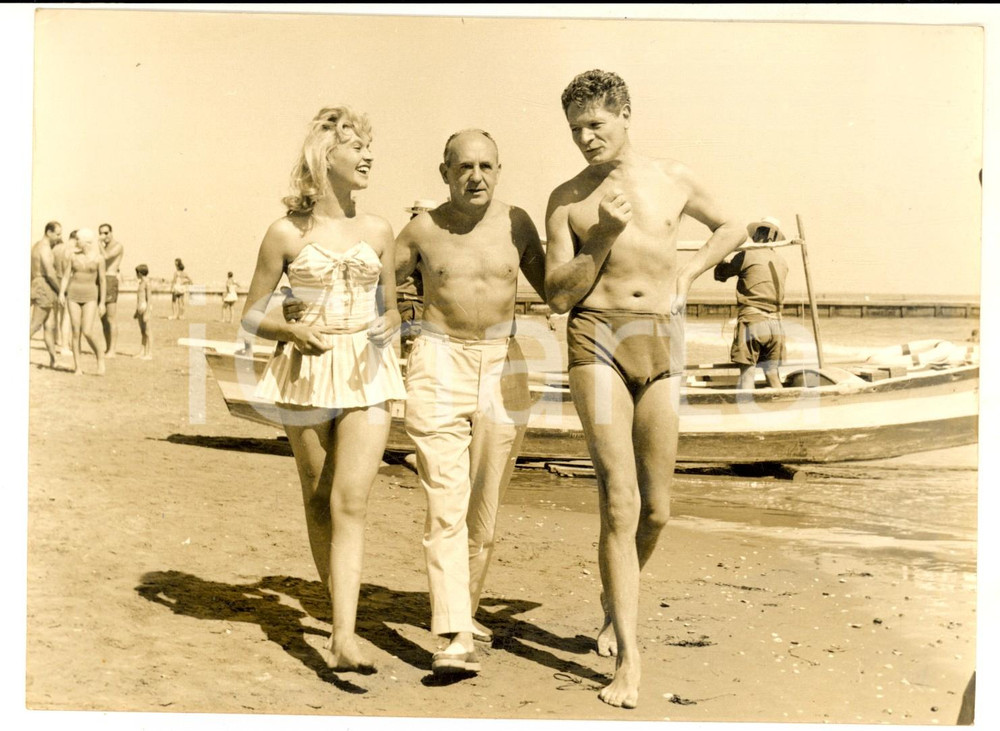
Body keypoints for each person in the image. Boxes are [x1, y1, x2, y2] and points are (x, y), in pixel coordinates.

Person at [544, 70, 746, 708]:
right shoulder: (568, 199)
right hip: (597, 339)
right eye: (575, 128)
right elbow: (555, 293)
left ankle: (613, 605)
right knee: (619, 502)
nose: (585, 138)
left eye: (595, 124)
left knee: (659, 509)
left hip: (659, 341)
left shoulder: (674, 178)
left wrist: (688, 271)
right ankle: (629, 659)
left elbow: (733, 226)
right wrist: (600, 235)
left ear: (625, 114)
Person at [241, 105, 405, 673]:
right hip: (305, 370)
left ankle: (343, 635)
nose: (368, 156)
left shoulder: (380, 229)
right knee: (318, 500)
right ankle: (339, 615)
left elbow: (391, 307)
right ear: (324, 156)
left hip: (366, 369)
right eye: (356, 146)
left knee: (350, 501)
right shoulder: (285, 232)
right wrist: (289, 328)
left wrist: (394, 323)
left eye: (367, 146)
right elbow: (251, 314)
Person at [394, 129, 545, 676]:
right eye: (464, 167)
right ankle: (455, 634)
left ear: (499, 170)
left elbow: (559, 289)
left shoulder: (518, 224)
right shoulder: (420, 230)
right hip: (438, 360)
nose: (475, 176)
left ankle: (467, 611)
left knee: (485, 507)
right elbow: (375, 291)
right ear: (445, 173)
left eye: (486, 166)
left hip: (505, 362)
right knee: (445, 502)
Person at [713, 216, 789, 390]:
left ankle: (745, 412)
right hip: (776, 324)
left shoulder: (746, 254)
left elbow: (720, 275)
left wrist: (720, 256)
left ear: (758, 234)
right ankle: (781, 412)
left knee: (747, 375)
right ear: (775, 239)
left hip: (753, 320)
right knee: (772, 374)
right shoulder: (782, 262)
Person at [58, 227, 107, 375]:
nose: (76, 241)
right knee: (75, 331)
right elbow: (66, 276)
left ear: (86, 242)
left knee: (87, 331)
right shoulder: (73, 256)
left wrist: (102, 302)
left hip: (90, 296)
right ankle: (77, 367)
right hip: (73, 295)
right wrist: (61, 293)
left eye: (78, 239)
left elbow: (103, 281)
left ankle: (100, 358)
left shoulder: (99, 259)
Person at [397, 199, 438, 357]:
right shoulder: (417, 241)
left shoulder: (410, 238)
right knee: (413, 349)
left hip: (416, 302)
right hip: (413, 301)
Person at [29, 220, 63, 367]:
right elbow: (49, 273)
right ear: (49, 232)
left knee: (50, 326)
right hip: (44, 285)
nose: (59, 237)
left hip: (38, 283)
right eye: (57, 234)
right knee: (35, 324)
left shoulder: (36, 246)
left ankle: (53, 359)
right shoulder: (45, 248)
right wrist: (61, 290)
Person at [98, 223, 124, 357]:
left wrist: (98, 243)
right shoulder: (103, 247)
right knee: (103, 318)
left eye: (106, 233)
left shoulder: (117, 246)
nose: (104, 236)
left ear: (111, 232)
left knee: (111, 317)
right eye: (101, 233)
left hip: (110, 279)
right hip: (101, 280)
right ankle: (108, 347)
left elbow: (107, 257)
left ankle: (112, 350)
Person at [134, 264, 152, 359]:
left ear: (140, 273)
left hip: (145, 308)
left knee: (148, 331)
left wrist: (147, 312)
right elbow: (139, 298)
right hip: (140, 308)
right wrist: (136, 311)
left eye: (137, 273)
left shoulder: (147, 283)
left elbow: (149, 299)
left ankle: (149, 353)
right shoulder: (141, 283)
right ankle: (142, 351)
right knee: (143, 331)